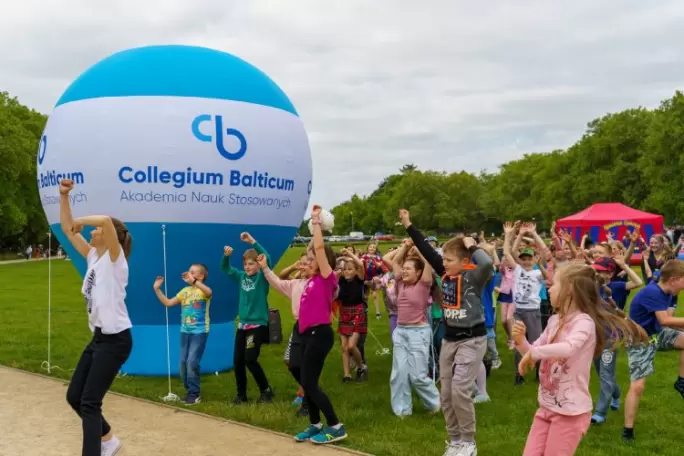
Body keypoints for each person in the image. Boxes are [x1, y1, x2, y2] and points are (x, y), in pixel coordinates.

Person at [513, 263, 647, 456]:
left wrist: (533, 353)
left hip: (570, 414)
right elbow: (534, 352)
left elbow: (568, 348)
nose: (549, 288)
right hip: (546, 407)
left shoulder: (583, 323)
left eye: (554, 284)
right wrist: (521, 342)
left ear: (569, 291)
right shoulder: (553, 321)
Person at [401, 209, 493, 456]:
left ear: (464, 262)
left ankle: (469, 442)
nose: (445, 262)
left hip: (472, 340)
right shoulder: (444, 274)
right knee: (446, 392)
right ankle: (454, 441)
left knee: (461, 390)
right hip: (451, 340)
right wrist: (409, 224)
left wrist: (472, 245)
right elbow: (427, 250)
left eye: (450, 259)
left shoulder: (474, 276)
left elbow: (486, 262)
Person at [59, 178, 133, 456]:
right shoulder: (94, 257)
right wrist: (64, 197)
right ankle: (109, 441)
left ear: (108, 234)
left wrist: (81, 219)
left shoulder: (116, 261)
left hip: (117, 341)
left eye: (95, 230)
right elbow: (68, 229)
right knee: (74, 396)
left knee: (90, 402)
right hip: (99, 339)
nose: (90, 232)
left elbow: (103, 219)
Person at [293, 206, 347, 444]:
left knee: (311, 384)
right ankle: (315, 424)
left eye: (314, 259)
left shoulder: (327, 277)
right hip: (307, 334)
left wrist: (316, 224)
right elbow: (311, 251)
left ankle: (336, 425)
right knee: (306, 382)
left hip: (320, 334)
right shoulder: (312, 280)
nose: (310, 260)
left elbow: (317, 248)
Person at [623, 259, 684, 443]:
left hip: (655, 333)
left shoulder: (665, 290)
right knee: (638, 386)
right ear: (673, 279)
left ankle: (681, 382)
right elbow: (665, 320)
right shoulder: (653, 292)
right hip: (639, 340)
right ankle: (627, 431)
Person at [220, 233, 274, 405]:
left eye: (251, 264)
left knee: (250, 359)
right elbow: (226, 269)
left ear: (259, 264)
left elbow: (268, 258)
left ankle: (266, 390)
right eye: (245, 264)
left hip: (257, 326)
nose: (248, 267)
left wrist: (252, 242)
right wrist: (226, 257)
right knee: (238, 361)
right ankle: (241, 394)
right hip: (243, 326)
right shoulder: (241, 276)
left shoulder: (262, 278)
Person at [389, 240, 440, 416]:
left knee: (417, 375)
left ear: (418, 272)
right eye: (404, 269)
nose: (404, 271)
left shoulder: (424, 284)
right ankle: (402, 411)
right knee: (399, 373)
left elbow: (429, 262)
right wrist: (405, 246)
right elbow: (394, 262)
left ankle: (434, 404)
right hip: (401, 332)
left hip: (418, 332)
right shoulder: (400, 283)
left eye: (408, 269)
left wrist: (418, 250)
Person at [590, 254, 642, 424]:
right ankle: (617, 394)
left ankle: (600, 413)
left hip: (610, 339)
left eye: (602, 271)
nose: (597, 274)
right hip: (593, 337)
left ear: (610, 274)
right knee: (602, 374)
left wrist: (624, 265)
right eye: (596, 270)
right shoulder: (589, 287)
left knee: (605, 374)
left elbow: (637, 282)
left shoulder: (616, 287)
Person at [153, 264, 212, 405]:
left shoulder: (203, 291)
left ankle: (194, 393)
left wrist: (193, 281)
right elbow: (168, 302)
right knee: (183, 363)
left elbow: (209, 291)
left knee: (192, 362)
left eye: (193, 272)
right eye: (189, 272)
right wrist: (157, 289)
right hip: (185, 332)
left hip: (200, 332)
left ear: (201, 276)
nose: (188, 274)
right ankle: (189, 390)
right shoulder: (185, 291)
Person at [260, 254, 310, 417]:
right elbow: (277, 281)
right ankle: (308, 392)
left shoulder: (318, 283)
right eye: (300, 264)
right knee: (294, 363)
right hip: (299, 326)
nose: (302, 267)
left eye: (306, 264)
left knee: (308, 365)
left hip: (315, 329)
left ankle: (307, 401)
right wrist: (265, 267)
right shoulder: (295, 284)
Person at [503, 221, 548, 386]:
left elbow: (545, 254)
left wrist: (534, 234)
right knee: (518, 343)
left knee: (536, 343)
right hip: (519, 311)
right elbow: (510, 252)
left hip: (533, 311)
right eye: (524, 258)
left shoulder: (537, 272)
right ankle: (518, 374)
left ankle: (539, 372)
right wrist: (515, 234)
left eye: (530, 258)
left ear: (534, 259)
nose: (527, 261)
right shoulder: (518, 269)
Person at [336, 248, 369, 382]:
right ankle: (347, 374)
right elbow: (334, 267)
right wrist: (340, 260)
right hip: (344, 312)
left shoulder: (359, 279)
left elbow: (360, 264)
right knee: (344, 347)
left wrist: (349, 255)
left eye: (350, 269)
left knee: (351, 346)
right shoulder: (340, 280)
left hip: (357, 311)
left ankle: (361, 366)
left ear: (355, 271)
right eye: (345, 270)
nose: (347, 272)